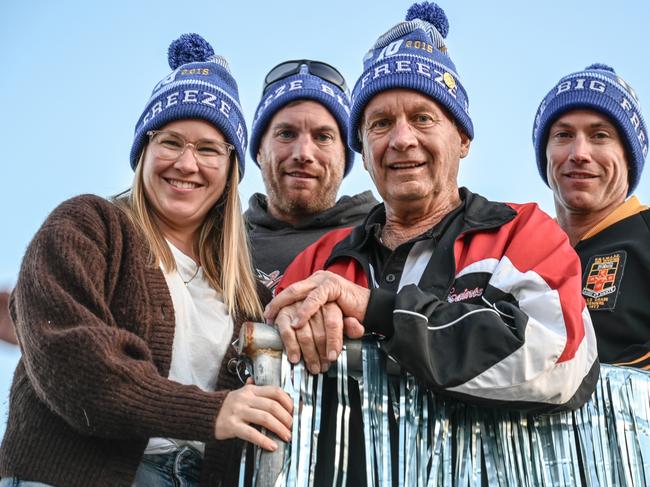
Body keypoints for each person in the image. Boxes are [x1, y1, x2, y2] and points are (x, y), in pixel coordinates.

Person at [265, 4, 599, 476]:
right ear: (362, 151)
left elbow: (555, 360)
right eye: (380, 124)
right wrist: (294, 328)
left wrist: (375, 309)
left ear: (462, 137)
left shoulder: (520, 232)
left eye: (423, 118)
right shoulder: (320, 261)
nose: (401, 140)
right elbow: (266, 365)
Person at [0, 34, 292, 487]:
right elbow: (70, 359)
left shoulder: (245, 295)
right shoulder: (88, 225)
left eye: (209, 148)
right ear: (145, 151)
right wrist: (210, 411)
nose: (187, 163)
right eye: (171, 141)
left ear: (232, 167)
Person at [532, 63, 650, 370]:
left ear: (629, 158)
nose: (579, 153)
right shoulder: (518, 250)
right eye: (563, 135)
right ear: (545, 154)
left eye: (600, 135)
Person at [246, 59, 377, 291]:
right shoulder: (215, 243)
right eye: (286, 134)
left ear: (346, 156)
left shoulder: (382, 237)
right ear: (259, 151)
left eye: (323, 137)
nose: (303, 153)